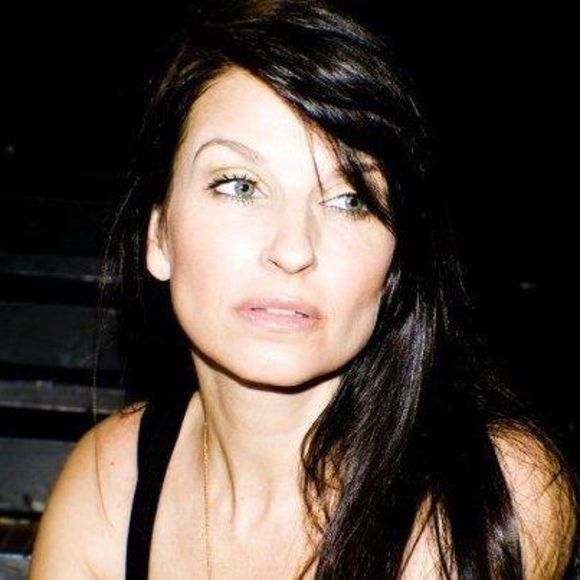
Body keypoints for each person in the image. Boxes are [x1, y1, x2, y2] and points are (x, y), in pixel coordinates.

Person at [29, 1, 579, 578]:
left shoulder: (488, 496)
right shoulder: (109, 486)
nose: (293, 249)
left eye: (349, 199)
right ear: (159, 235)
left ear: (395, 262)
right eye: (239, 185)